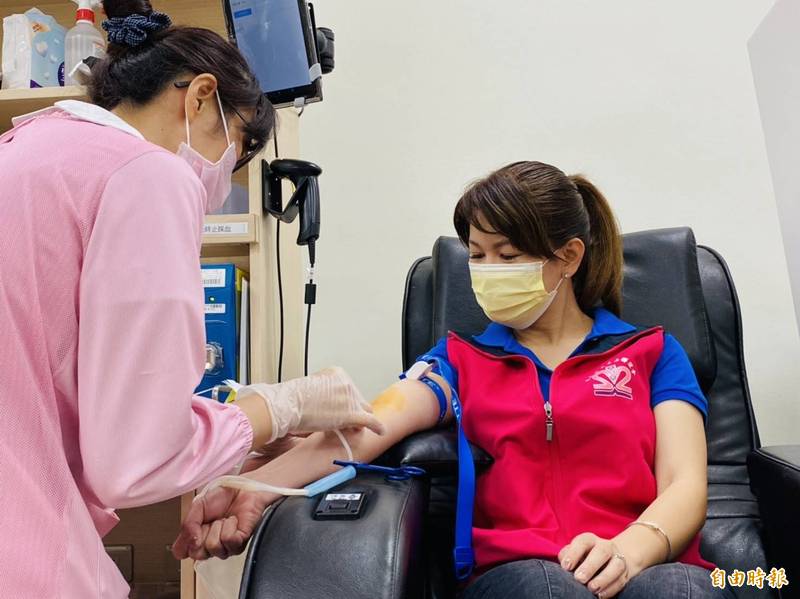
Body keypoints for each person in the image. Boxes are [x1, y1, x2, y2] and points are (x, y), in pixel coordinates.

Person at [176, 161, 733, 599]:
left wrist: (635, 549)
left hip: (646, 557)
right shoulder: (460, 360)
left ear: (567, 257)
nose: (487, 272)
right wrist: (254, 488)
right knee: (547, 590)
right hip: (521, 574)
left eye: (507, 254)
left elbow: (685, 483)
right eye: (477, 255)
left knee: (681, 589)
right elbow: (367, 427)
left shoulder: (650, 352)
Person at [0, 1, 382, 597]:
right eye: (229, 157)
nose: (214, 189)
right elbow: (136, 460)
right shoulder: (147, 173)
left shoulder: (26, 148)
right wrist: (284, 406)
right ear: (200, 96)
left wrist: (238, 440)